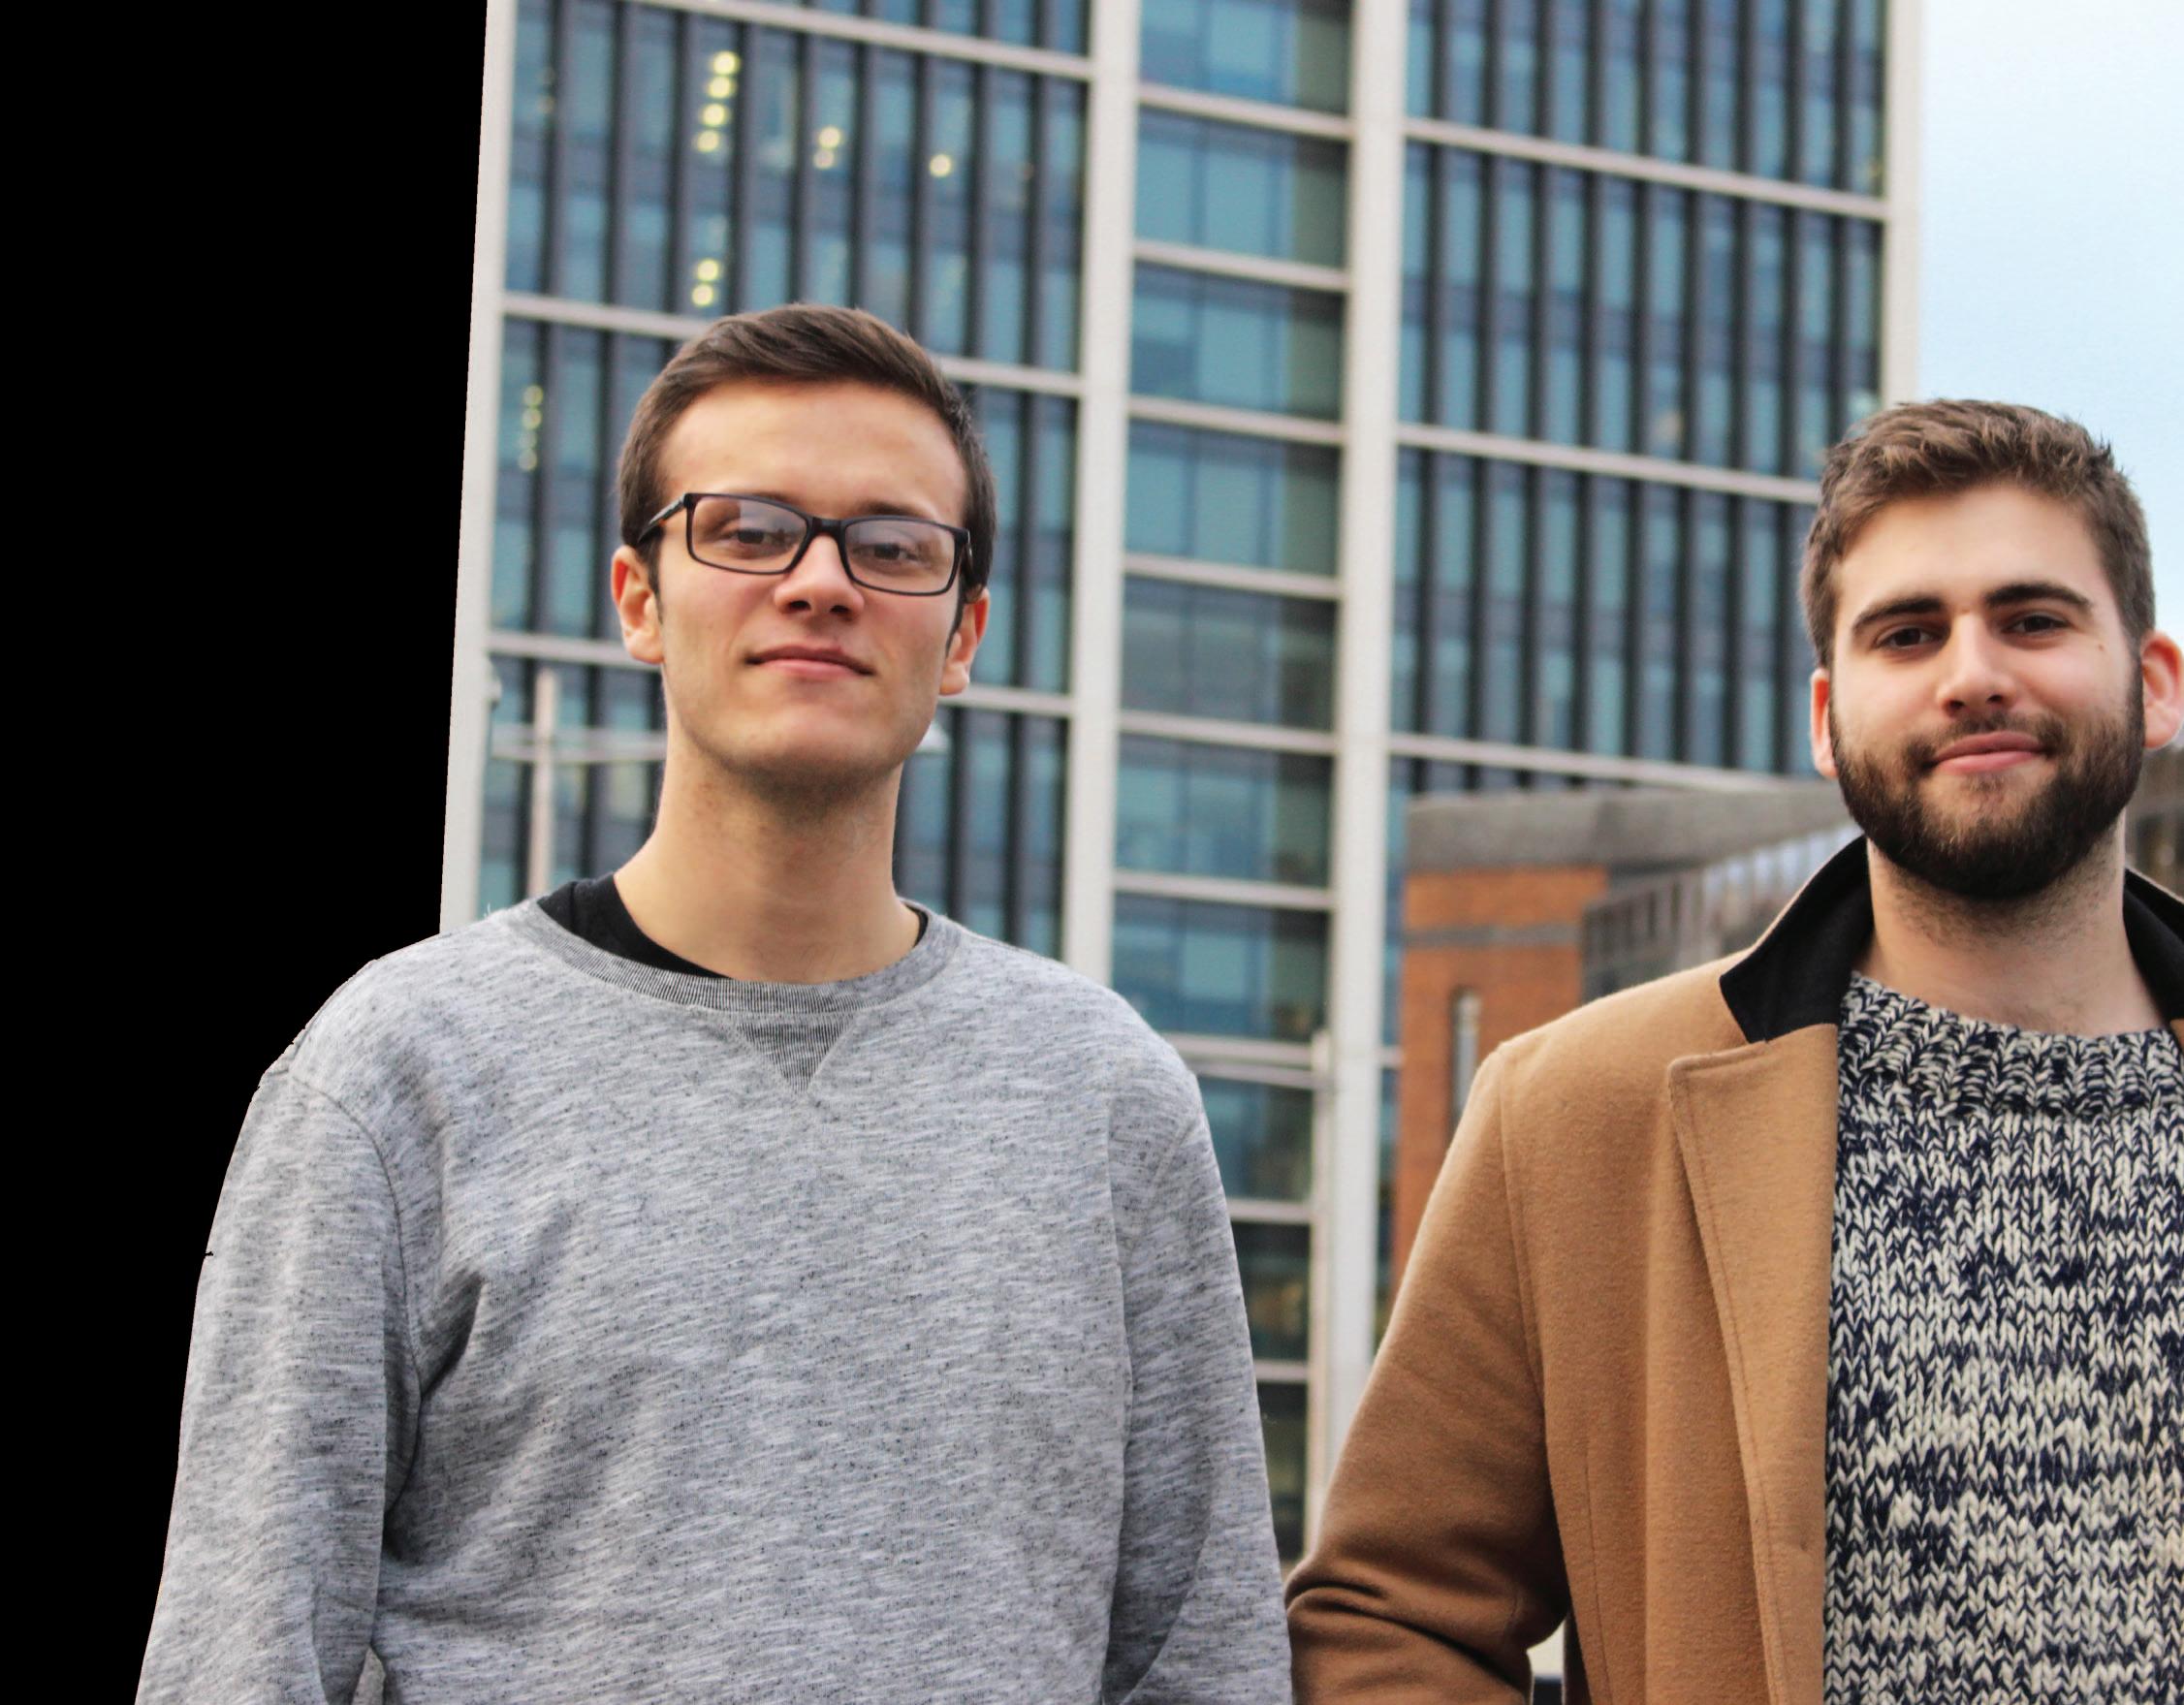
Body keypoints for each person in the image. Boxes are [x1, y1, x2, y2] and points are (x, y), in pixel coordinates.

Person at [140, 303, 1290, 1702]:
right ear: (639, 598)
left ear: (963, 632)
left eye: (891, 546)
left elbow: (1205, 1661)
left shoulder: (1108, 1098)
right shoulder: (397, 1072)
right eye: (747, 530)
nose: (820, 582)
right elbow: (243, 1651)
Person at [1286, 399, 2183, 1702]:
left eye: (2032, 619)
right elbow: (1387, 1616)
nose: (1971, 673)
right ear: (1826, 717)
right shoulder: (1577, 1113)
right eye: (1907, 633)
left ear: (2153, 684)